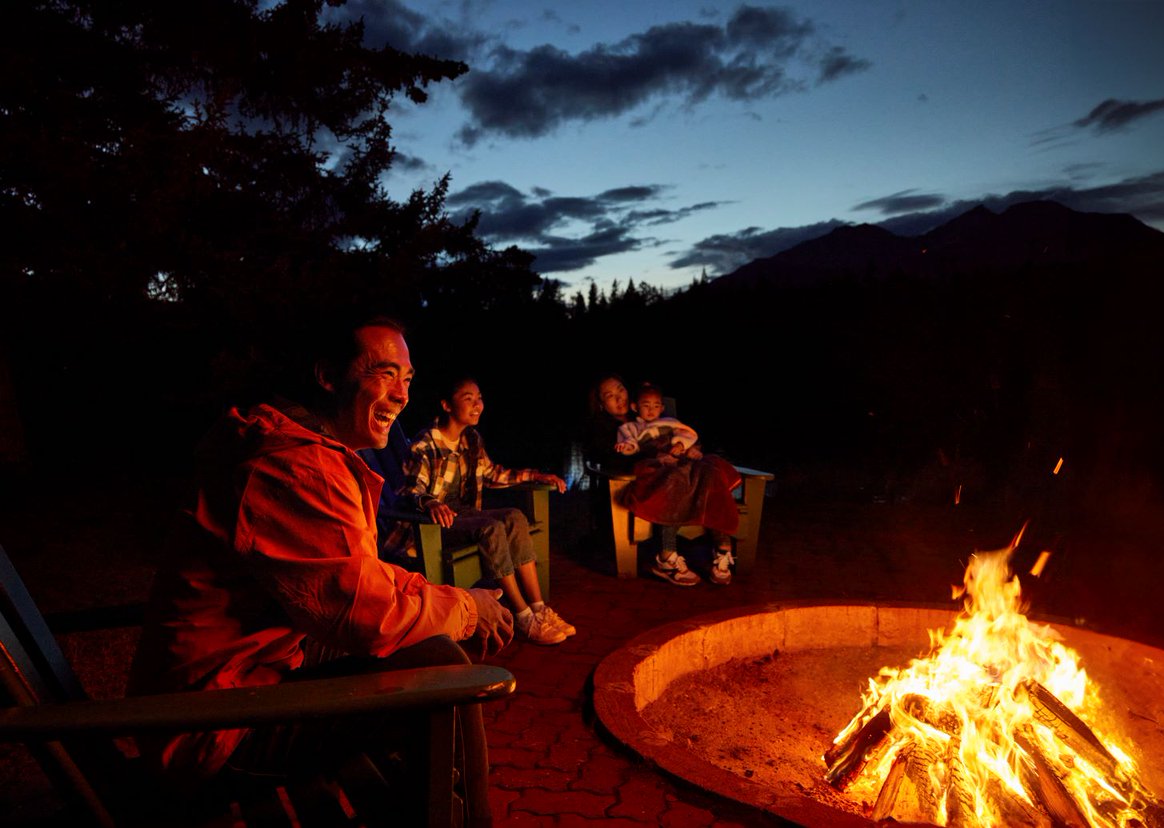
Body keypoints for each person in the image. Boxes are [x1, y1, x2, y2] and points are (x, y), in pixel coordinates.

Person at [129, 317, 511, 824]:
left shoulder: (290, 443)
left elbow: (360, 577)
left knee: (434, 654)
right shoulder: (293, 467)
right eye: (383, 373)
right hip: (213, 725)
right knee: (446, 680)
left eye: (408, 378)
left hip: (247, 676)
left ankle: (440, 810)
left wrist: (444, 597)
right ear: (328, 376)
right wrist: (466, 607)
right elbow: (366, 616)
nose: (401, 395)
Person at [401, 377, 575, 645]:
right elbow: (410, 489)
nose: (477, 404)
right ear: (447, 405)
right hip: (433, 525)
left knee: (515, 516)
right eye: (468, 398)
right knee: (492, 528)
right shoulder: (425, 444)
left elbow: (494, 474)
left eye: (479, 397)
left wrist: (537, 475)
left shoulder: (471, 440)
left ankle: (540, 609)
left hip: (464, 514)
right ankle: (522, 615)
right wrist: (431, 502)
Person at [615, 382, 742, 587]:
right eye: (646, 405)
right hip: (657, 465)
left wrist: (681, 445)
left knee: (710, 474)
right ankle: (667, 554)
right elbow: (630, 445)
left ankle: (723, 549)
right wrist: (625, 447)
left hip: (680, 461)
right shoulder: (630, 427)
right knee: (674, 482)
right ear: (634, 407)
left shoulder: (670, 422)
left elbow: (687, 434)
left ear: (662, 408)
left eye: (656, 405)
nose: (651, 410)